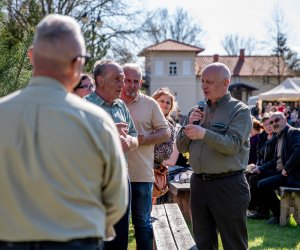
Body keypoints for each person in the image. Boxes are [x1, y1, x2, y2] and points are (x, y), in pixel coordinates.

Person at [0, 14, 128, 250]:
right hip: (77, 240)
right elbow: (116, 201)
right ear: (78, 64)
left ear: (31, 56)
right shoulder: (97, 121)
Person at [176, 62, 252, 250]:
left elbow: (233, 145)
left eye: (209, 82)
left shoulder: (240, 111)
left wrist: (203, 133)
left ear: (226, 83)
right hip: (199, 183)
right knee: (203, 242)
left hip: (228, 185)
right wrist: (188, 127)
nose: (204, 86)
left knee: (233, 243)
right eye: (202, 81)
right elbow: (180, 145)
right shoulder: (198, 109)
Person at [85, 59, 138, 250]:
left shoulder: (121, 106)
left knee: (120, 237)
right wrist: (107, 133)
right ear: (100, 80)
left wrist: (129, 142)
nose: (122, 85)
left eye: (122, 79)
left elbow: (134, 136)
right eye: (117, 79)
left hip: (121, 180)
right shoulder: (84, 107)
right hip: (94, 182)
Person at [120, 63, 170, 250]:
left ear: (140, 83)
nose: (131, 85)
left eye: (136, 81)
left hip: (140, 173)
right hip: (114, 175)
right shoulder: (111, 101)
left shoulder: (150, 104)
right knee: (117, 225)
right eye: (127, 80)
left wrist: (143, 139)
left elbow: (165, 133)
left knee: (142, 222)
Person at [255, 111, 300, 224]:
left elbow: (298, 150)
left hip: (291, 175)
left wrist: (287, 168)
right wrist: (260, 168)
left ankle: (279, 214)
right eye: (271, 121)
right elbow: (275, 160)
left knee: (263, 185)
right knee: (254, 176)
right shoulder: (278, 136)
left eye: (276, 120)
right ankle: (262, 212)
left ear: (285, 120)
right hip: (279, 172)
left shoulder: (293, 132)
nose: (274, 123)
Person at [246, 112, 277, 218]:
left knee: (255, 178)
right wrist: (256, 166)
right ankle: (254, 208)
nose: (268, 127)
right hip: (263, 167)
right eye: (265, 124)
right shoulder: (262, 137)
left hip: (274, 169)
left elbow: (275, 160)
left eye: (270, 124)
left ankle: (262, 211)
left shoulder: (277, 137)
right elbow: (259, 155)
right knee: (248, 175)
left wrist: (261, 168)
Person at [151, 87, 179, 204]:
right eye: (162, 101)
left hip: (158, 166)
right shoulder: (149, 119)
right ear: (154, 101)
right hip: (146, 164)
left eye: (168, 102)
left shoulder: (171, 122)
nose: (165, 104)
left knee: (153, 196)